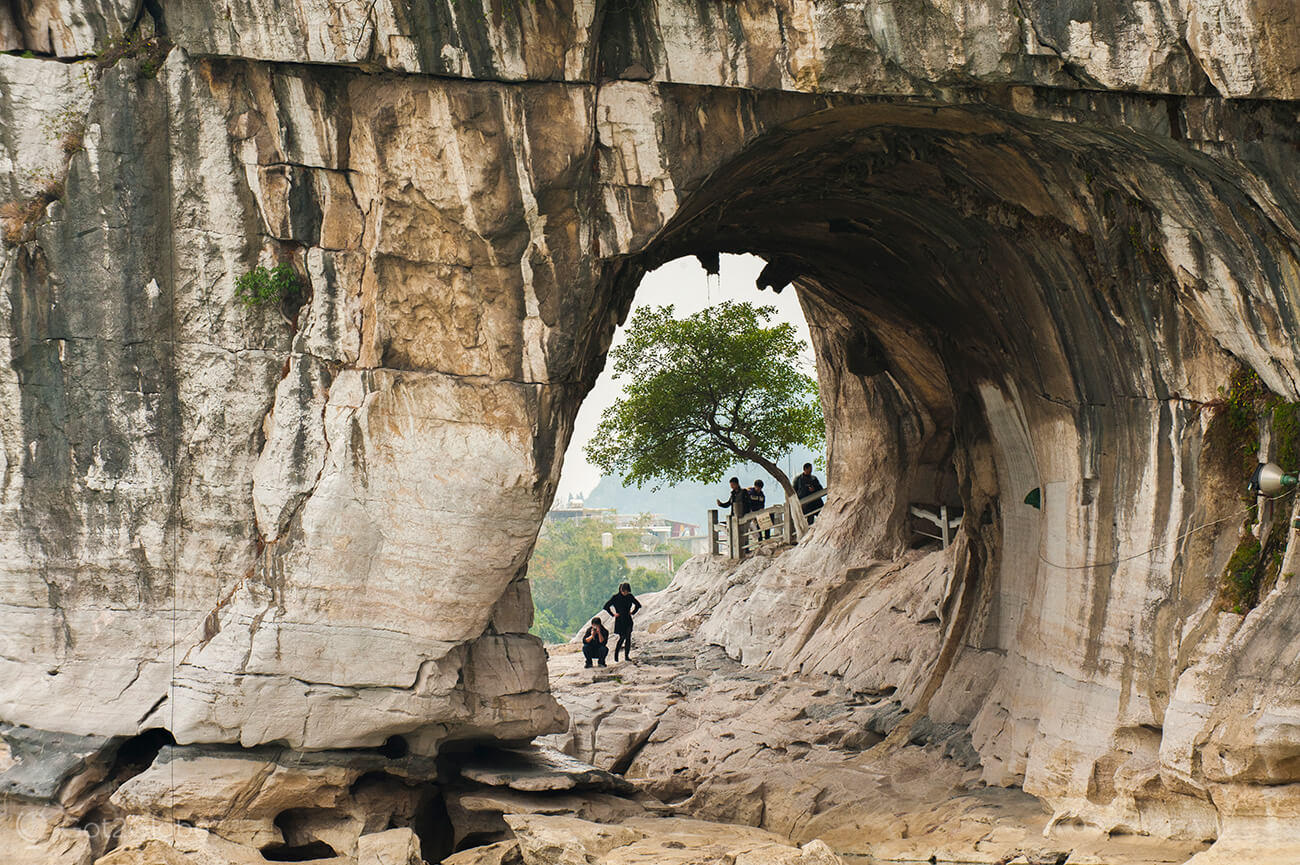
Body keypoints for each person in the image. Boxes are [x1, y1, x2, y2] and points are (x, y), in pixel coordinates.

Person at [603, 582, 642, 662]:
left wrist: (632, 612)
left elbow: (638, 605)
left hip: (628, 619)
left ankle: (626, 656)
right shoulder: (615, 597)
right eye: (624, 591)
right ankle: (616, 654)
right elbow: (606, 606)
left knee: (628, 638)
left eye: (627, 591)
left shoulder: (630, 596)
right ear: (621, 590)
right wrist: (613, 614)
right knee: (622, 637)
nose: (625, 593)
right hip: (620, 620)